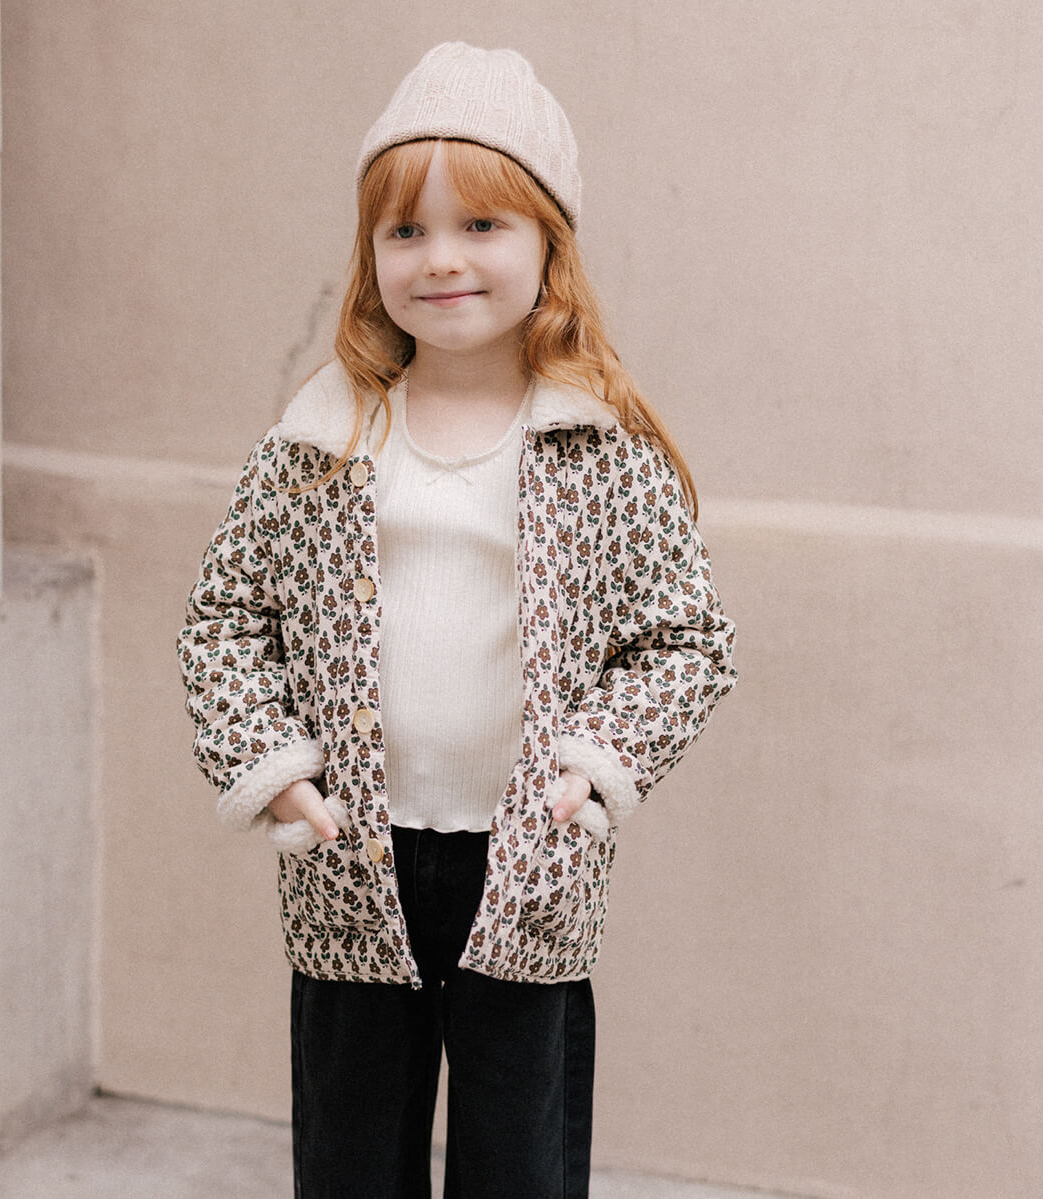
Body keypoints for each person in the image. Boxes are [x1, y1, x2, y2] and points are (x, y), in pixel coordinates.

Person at [178, 41, 736, 1199]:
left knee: (517, 1155)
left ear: (548, 246)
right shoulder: (319, 443)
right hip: (351, 854)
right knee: (352, 1151)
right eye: (406, 230)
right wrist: (273, 766)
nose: (440, 257)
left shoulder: (601, 450)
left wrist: (597, 763)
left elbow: (687, 639)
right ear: (371, 253)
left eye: (481, 225)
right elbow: (225, 617)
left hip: (529, 860)